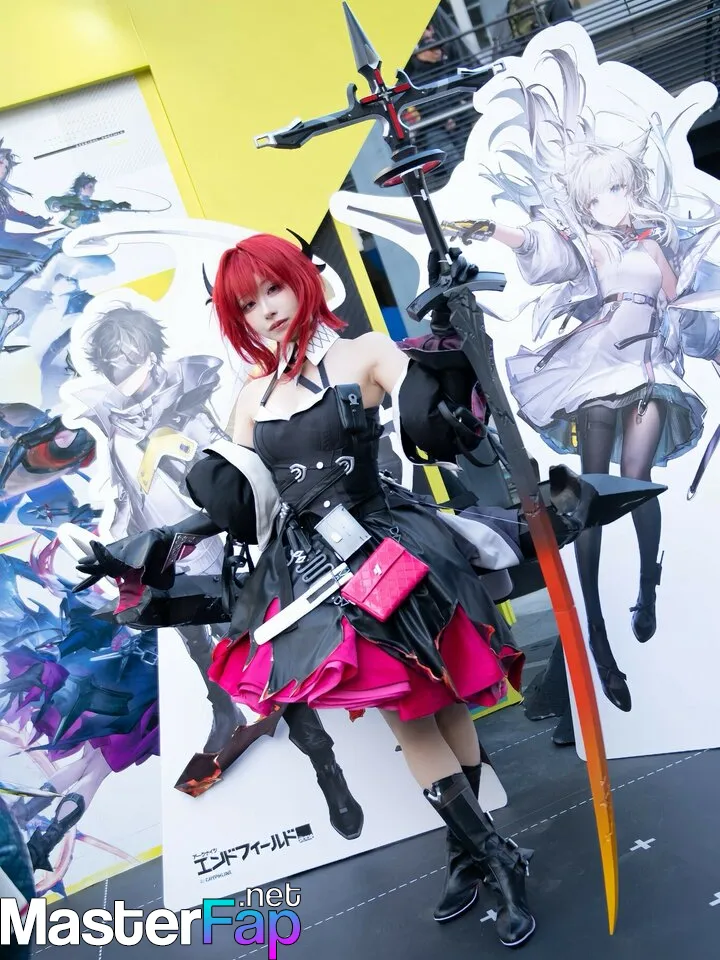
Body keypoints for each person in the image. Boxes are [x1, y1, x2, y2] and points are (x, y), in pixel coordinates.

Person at [73, 233, 660, 948]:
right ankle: (488, 853)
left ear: (302, 280)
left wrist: (453, 329)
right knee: (412, 715)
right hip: (316, 574)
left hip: (394, 553)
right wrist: (150, 547)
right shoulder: (250, 396)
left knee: (437, 705)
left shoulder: (365, 353)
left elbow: (441, 420)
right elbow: (242, 503)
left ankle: (479, 853)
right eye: (248, 304)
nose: (266, 311)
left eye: (274, 289)